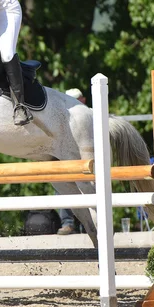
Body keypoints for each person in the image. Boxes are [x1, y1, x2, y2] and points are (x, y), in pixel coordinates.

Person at [56, 88, 87, 235]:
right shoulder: (61, 117)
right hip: (69, 158)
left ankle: (86, 224)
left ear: (83, 100)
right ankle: (68, 223)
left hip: (85, 160)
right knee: (61, 184)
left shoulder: (89, 114)